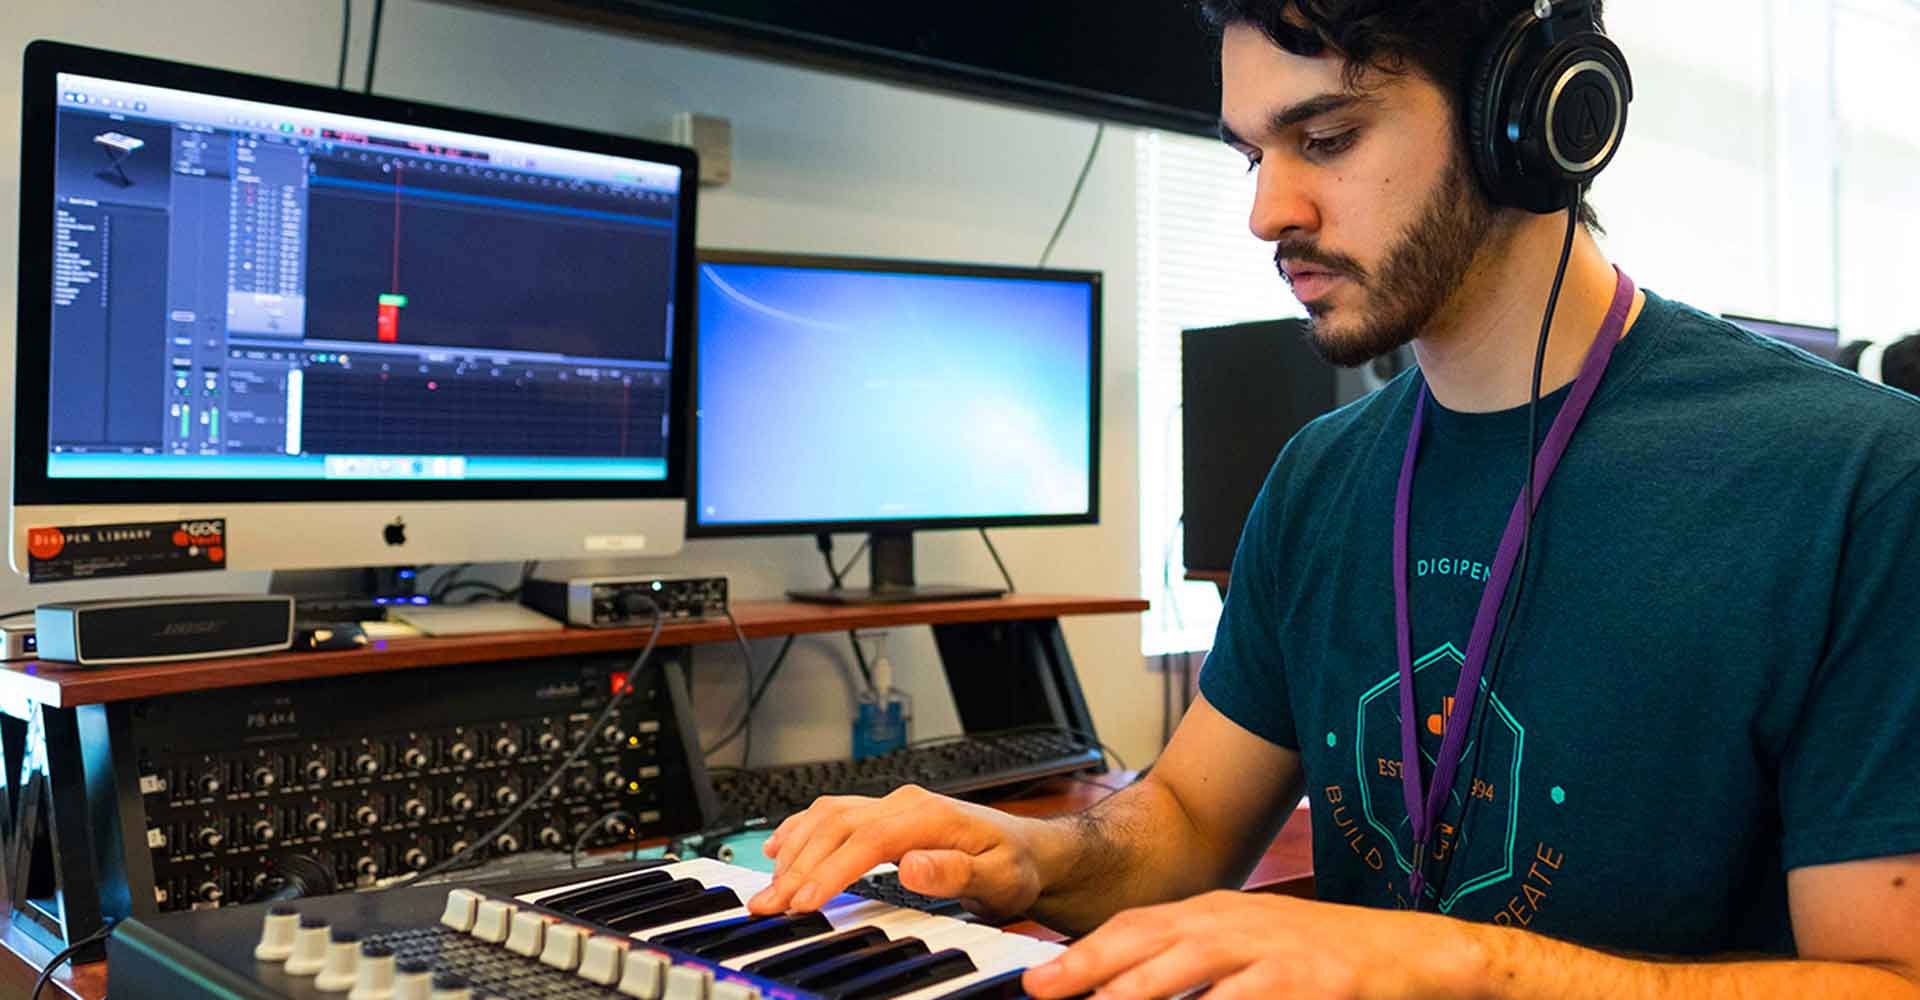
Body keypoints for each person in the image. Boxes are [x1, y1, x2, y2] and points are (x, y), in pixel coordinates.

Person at [746, 2, 1920, 996]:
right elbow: (1193, 825)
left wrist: (1456, 964)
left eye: (1328, 136)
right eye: (1253, 154)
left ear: (1539, 121)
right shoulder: (1321, 477)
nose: (1268, 211)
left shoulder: (1857, 480)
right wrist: (1031, 854)